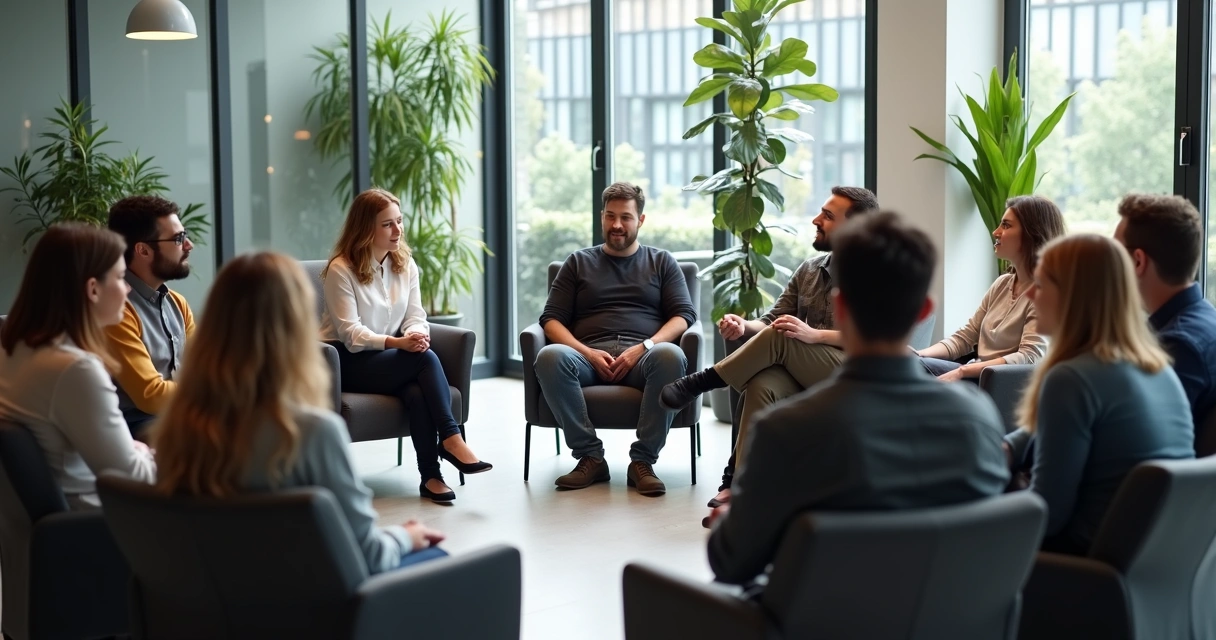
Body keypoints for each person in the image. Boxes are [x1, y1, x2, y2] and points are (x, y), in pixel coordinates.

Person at [706, 212, 1010, 586]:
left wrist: (728, 526)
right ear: (923, 311)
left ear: (843, 307)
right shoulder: (979, 419)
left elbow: (733, 563)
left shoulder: (787, 429)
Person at [153, 252, 446, 572]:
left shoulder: (176, 429)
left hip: (219, 605)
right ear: (293, 331)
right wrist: (406, 536)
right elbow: (369, 556)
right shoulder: (311, 432)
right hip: (311, 608)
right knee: (436, 558)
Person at [659, 186, 879, 507]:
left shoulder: (877, 273)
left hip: (852, 376)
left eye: (828, 216)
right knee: (761, 384)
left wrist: (813, 336)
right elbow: (773, 319)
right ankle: (739, 485)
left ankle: (705, 381)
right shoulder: (809, 269)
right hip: (806, 370)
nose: (816, 220)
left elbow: (875, 336)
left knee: (781, 336)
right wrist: (743, 325)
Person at [1008, 234, 1194, 555]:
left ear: (1072, 297)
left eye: (1040, 284)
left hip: (1076, 570)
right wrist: (1008, 446)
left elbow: (1046, 515)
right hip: (1144, 569)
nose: (1028, 293)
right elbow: (1054, 430)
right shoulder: (1158, 370)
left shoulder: (1071, 378)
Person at [320, 188, 490, 504]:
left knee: (416, 391)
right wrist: (401, 342)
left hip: (388, 359)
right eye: (388, 224)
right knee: (423, 360)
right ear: (365, 228)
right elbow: (351, 334)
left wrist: (416, 333)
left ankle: (432, 477)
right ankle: (451, 438)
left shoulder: (405, 264)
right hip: (344, 361)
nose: (398, 230)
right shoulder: (340, 270)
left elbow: (416, 316)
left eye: (399, 221)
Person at [534, 182, 697, 496]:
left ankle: (643, 463)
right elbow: (550, 319)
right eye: (610, 216)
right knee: (550, 356)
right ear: (601, 218)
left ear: (641, 220)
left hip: (643, 357)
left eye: (626, 217)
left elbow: (684, 316)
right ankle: (590, 457)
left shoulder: (662, 262)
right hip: (586, 358)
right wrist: (587, 353)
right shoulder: (578, 262)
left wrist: (644, 347)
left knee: (671, 356)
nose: (617, 225)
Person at [0, 223, 156, 509]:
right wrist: (150, 454)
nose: (127, 290)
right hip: (97, 528)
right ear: (93, 289)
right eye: (121, 278)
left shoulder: (15, 348)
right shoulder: (75, 370)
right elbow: (136, 476)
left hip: (39, 540)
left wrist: (132, 450)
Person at [916, 195, 1063, 380]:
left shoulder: (1045, 294)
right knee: (912, 363)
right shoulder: (1002, 284)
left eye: (1006, 225)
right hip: (976, 375)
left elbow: (1029, 357)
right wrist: (918, 354)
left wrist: (962, 371)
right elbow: (965, 338)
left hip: (999, 385)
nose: (996, 232)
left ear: (1031, 234)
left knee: (910, 370)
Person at [1114, 193, 1216, 434]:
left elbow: (1131, 437)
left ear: (1138, 261)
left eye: (1115, 253)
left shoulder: (1177, 346)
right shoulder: (1205, 320)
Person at [104, 195, 198, 438]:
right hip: (137, 428)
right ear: (143, 250)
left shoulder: (178, 303)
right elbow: (150, 397)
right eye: (178, 238)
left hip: (182, 416)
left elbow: (204, 367)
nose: (189, 245)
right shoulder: (116, 310)